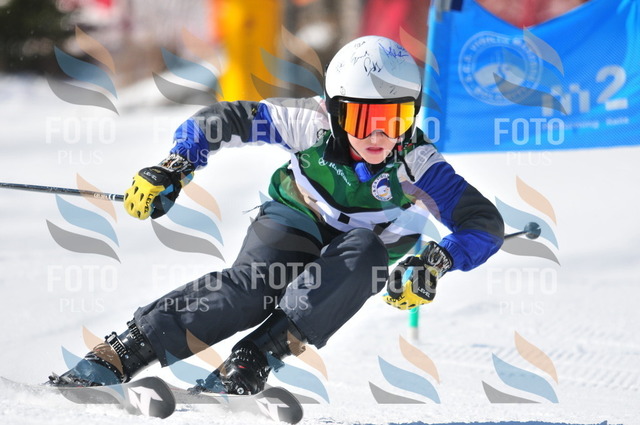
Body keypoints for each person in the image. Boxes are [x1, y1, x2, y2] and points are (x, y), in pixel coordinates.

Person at [49, 36, 504, 395]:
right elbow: (225, 120)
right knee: (254, 286)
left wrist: (435, 263)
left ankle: (256, 358)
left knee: (364, 254)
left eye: (396, 119)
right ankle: (125, 351)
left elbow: (482, 223)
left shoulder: (416, 164)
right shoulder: (310, 122)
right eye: (363, 120)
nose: (379, 136)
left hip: (365, 250)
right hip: (296, 216)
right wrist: (177, 164)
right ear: (336, 111)